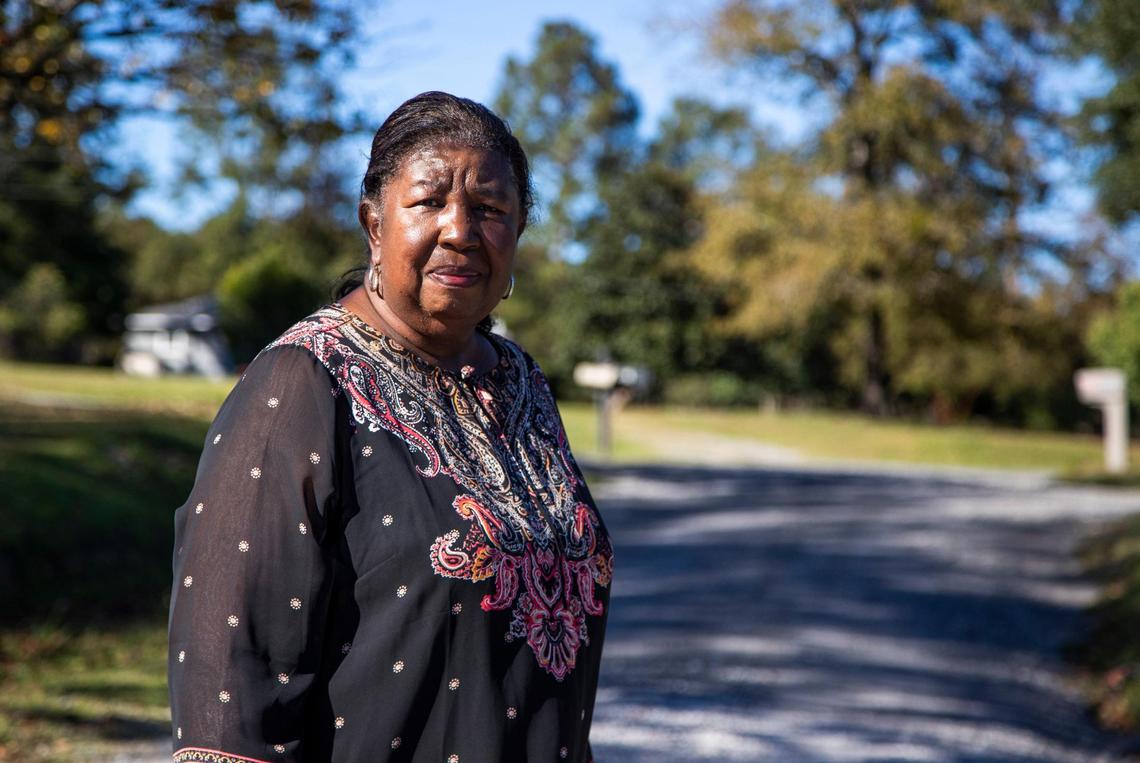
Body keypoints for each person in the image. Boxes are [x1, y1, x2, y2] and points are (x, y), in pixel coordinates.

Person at [167, 91, 614, 763]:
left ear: (517, 234)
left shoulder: (523, 382)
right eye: (430, 202)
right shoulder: (299, 385)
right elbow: (231, 682)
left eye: (491, 209)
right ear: (374, 224)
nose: (461, 229)